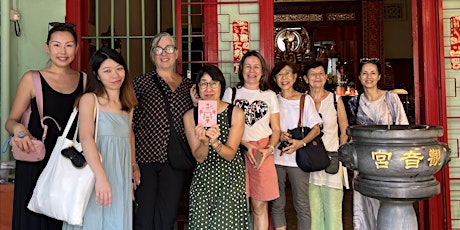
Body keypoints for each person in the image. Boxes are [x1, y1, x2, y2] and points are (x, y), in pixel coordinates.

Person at [4, 22, 84, 230]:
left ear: (77, 48)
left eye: (68, 45)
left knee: (64, 220)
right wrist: (19, 130)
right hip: (35, 162)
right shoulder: (32, 79)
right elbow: (10, 121)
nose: (63, 51)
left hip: (68, 166)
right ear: (47, 47)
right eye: (56, 45)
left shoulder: (85, 81)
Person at [62, 47, 138, 229]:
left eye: (119, 68)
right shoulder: (90, 99)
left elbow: (129, 135)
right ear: (97, 74)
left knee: (116, 219)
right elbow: (86, 138)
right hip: (95, 173)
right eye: (107, 70)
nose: (115, 75)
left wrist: (133, 166)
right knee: (94, 219)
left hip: (120, 174)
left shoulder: (127, 103)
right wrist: (101, 177)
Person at [133, 32, 194, 230]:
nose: (164, 53)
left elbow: (197, 119)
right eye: (158, 49)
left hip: (174, 161)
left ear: (176, 53)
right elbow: (128, 122)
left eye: (169, 48)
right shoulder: (140, 83)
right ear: (152, 55)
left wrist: (196, 104)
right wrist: (132, 161)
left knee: (167, 216)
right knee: (144, 217)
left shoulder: (188, 86)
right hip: (145, 159)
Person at [184, 65, 249, 229]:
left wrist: (216, 143)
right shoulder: (190, 116)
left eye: (214, 83)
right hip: (203, 179)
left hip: (230, 178)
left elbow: (230, 154)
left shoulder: (235, 113)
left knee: (225, 225)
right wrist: (205, 142)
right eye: (203, 83)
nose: (209, 88)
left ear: (221, 86)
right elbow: (199, 157)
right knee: (201, 225)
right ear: (198, 88)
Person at [222, 50, 281, 230]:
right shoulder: (231, 94)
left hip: (262, 153)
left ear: (262, 71)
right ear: (241, 70)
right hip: (236, 152)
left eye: (256, 67)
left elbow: (276, 129)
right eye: (247, 66)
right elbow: (224, 127)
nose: (252, 71)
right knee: (239, 205)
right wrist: (243, 143)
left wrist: (269, 149)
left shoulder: (269, 96)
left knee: (259, 205)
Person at [348, 58, 409, 230]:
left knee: (389, 204)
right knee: (365, 205)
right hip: (365, 163)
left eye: (373, 73)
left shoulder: (391, 99)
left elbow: (402, 128)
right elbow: (352, 134)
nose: (369, 77)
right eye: (365, 73)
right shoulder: (354, 103)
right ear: (359, 77)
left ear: (379, 76)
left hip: (389, 161)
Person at [269, 61, 322, 230]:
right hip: (276, 159)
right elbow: (266, 127)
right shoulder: (272, 100)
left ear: (295, 77)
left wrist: (301, 142)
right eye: (279, 75)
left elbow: (316, 128)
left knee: (302, 204)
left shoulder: (304, 100)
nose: (284, 78)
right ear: (275, 79)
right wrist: (276, 133)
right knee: (277, 203)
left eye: (287, 74)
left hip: (298, 160)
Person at [303, 61, 350, 230]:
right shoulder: (302, 101)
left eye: (321, 73)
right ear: (306, 79)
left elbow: (344, 130)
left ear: (326, 77)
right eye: (313, 74)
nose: (317, 77)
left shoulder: (335, 100)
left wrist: (339, 153)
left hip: (331, 161)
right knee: (313, 213)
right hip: (309, 163)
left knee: (333, 211)